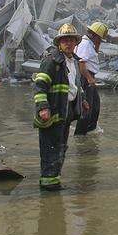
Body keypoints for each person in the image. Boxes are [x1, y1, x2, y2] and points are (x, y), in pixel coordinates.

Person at [33, 23, 89, 191]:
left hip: (67, 112)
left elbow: (76, 85)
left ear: (76, 43)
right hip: (52, 113)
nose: (69, 43)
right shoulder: (52, 61)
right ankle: (48, 184)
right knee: (51, 148)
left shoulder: (74, 62)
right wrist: (43, 108)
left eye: (72, 40)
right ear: (59, 42)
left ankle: (54, 181)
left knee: (61, 147)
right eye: (65, 40)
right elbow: (39, 86)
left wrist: (83, 100)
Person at [74, 21, 108, 135]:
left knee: (95, 107)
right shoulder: (85, 44)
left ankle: (90, 130)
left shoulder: (90, 44)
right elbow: (81, 64)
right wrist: (89, 78)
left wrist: (97, 45)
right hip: (85, 77)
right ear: (95, 36)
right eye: (100, 39)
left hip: (89, 77)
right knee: (87, 109)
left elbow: (93, 56)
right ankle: (80, 135)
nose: (100, 41)